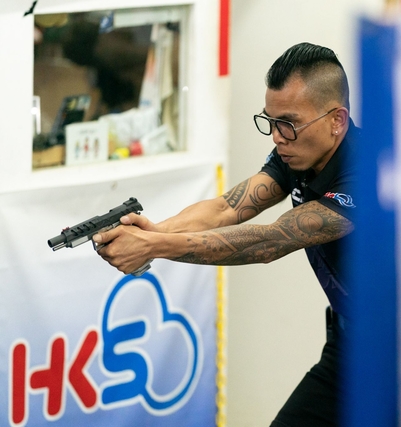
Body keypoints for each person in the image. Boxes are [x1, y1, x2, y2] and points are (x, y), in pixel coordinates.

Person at [93, 42, 360, 427]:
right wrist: (153, 230)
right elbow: (227, 208)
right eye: (270, 121)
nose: (277, 137)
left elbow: (270, 242)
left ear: (336, 120)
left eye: (288, 124)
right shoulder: (297, 154)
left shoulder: (367, 173)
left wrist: (154, 245)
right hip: (350, 343)